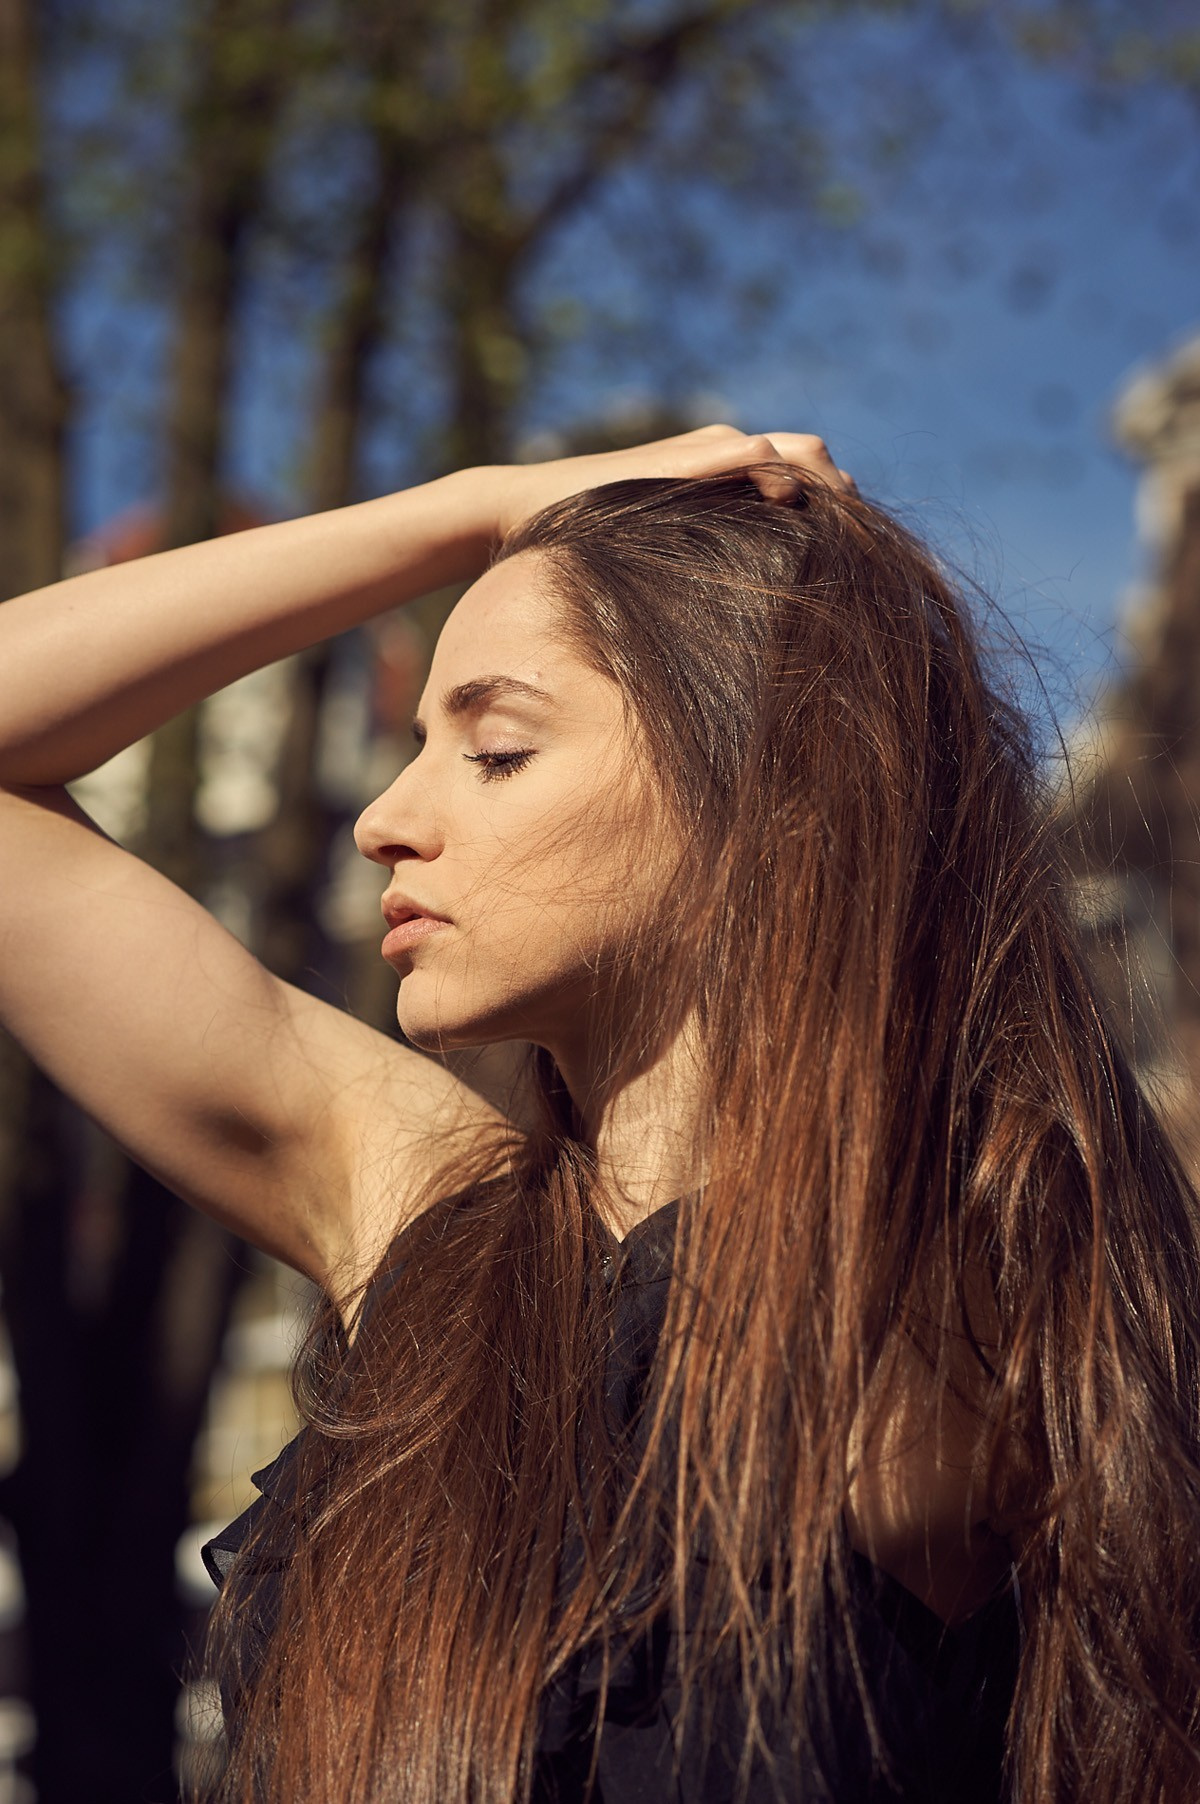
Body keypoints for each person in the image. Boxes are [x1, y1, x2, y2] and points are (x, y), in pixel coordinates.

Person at [1, 427, 1199, 1804]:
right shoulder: (422, 1218)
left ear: (777, 784)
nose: (384, 819)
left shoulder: (969, 1301)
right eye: (413, 743)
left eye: (495, 748)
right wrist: (478, 513)